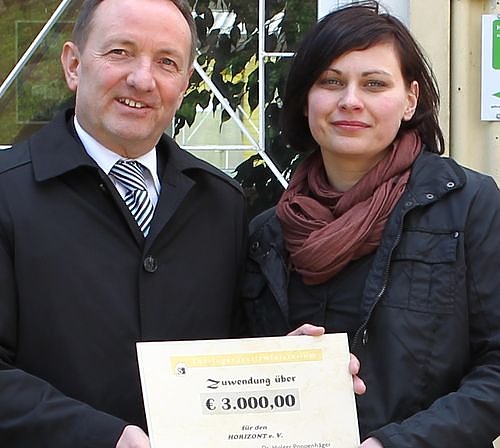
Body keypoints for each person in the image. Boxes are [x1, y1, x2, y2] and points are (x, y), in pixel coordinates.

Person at [242, 1, 500, 447]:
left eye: (374, 83)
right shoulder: (269, 233)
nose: (350, 101)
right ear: (306, 101)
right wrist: (275, 362)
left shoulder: (469, 207)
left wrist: (394, 444)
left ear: (410, 100)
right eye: (331, 82)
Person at [0, 0, 248, 446]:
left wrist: (294, 362)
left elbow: (234, 352)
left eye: (167, 62)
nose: (142, 79)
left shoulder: (221, 204)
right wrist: (104, 437)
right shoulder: (5, 193)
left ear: (184, 85)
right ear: (73, 65)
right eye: (120, 52)